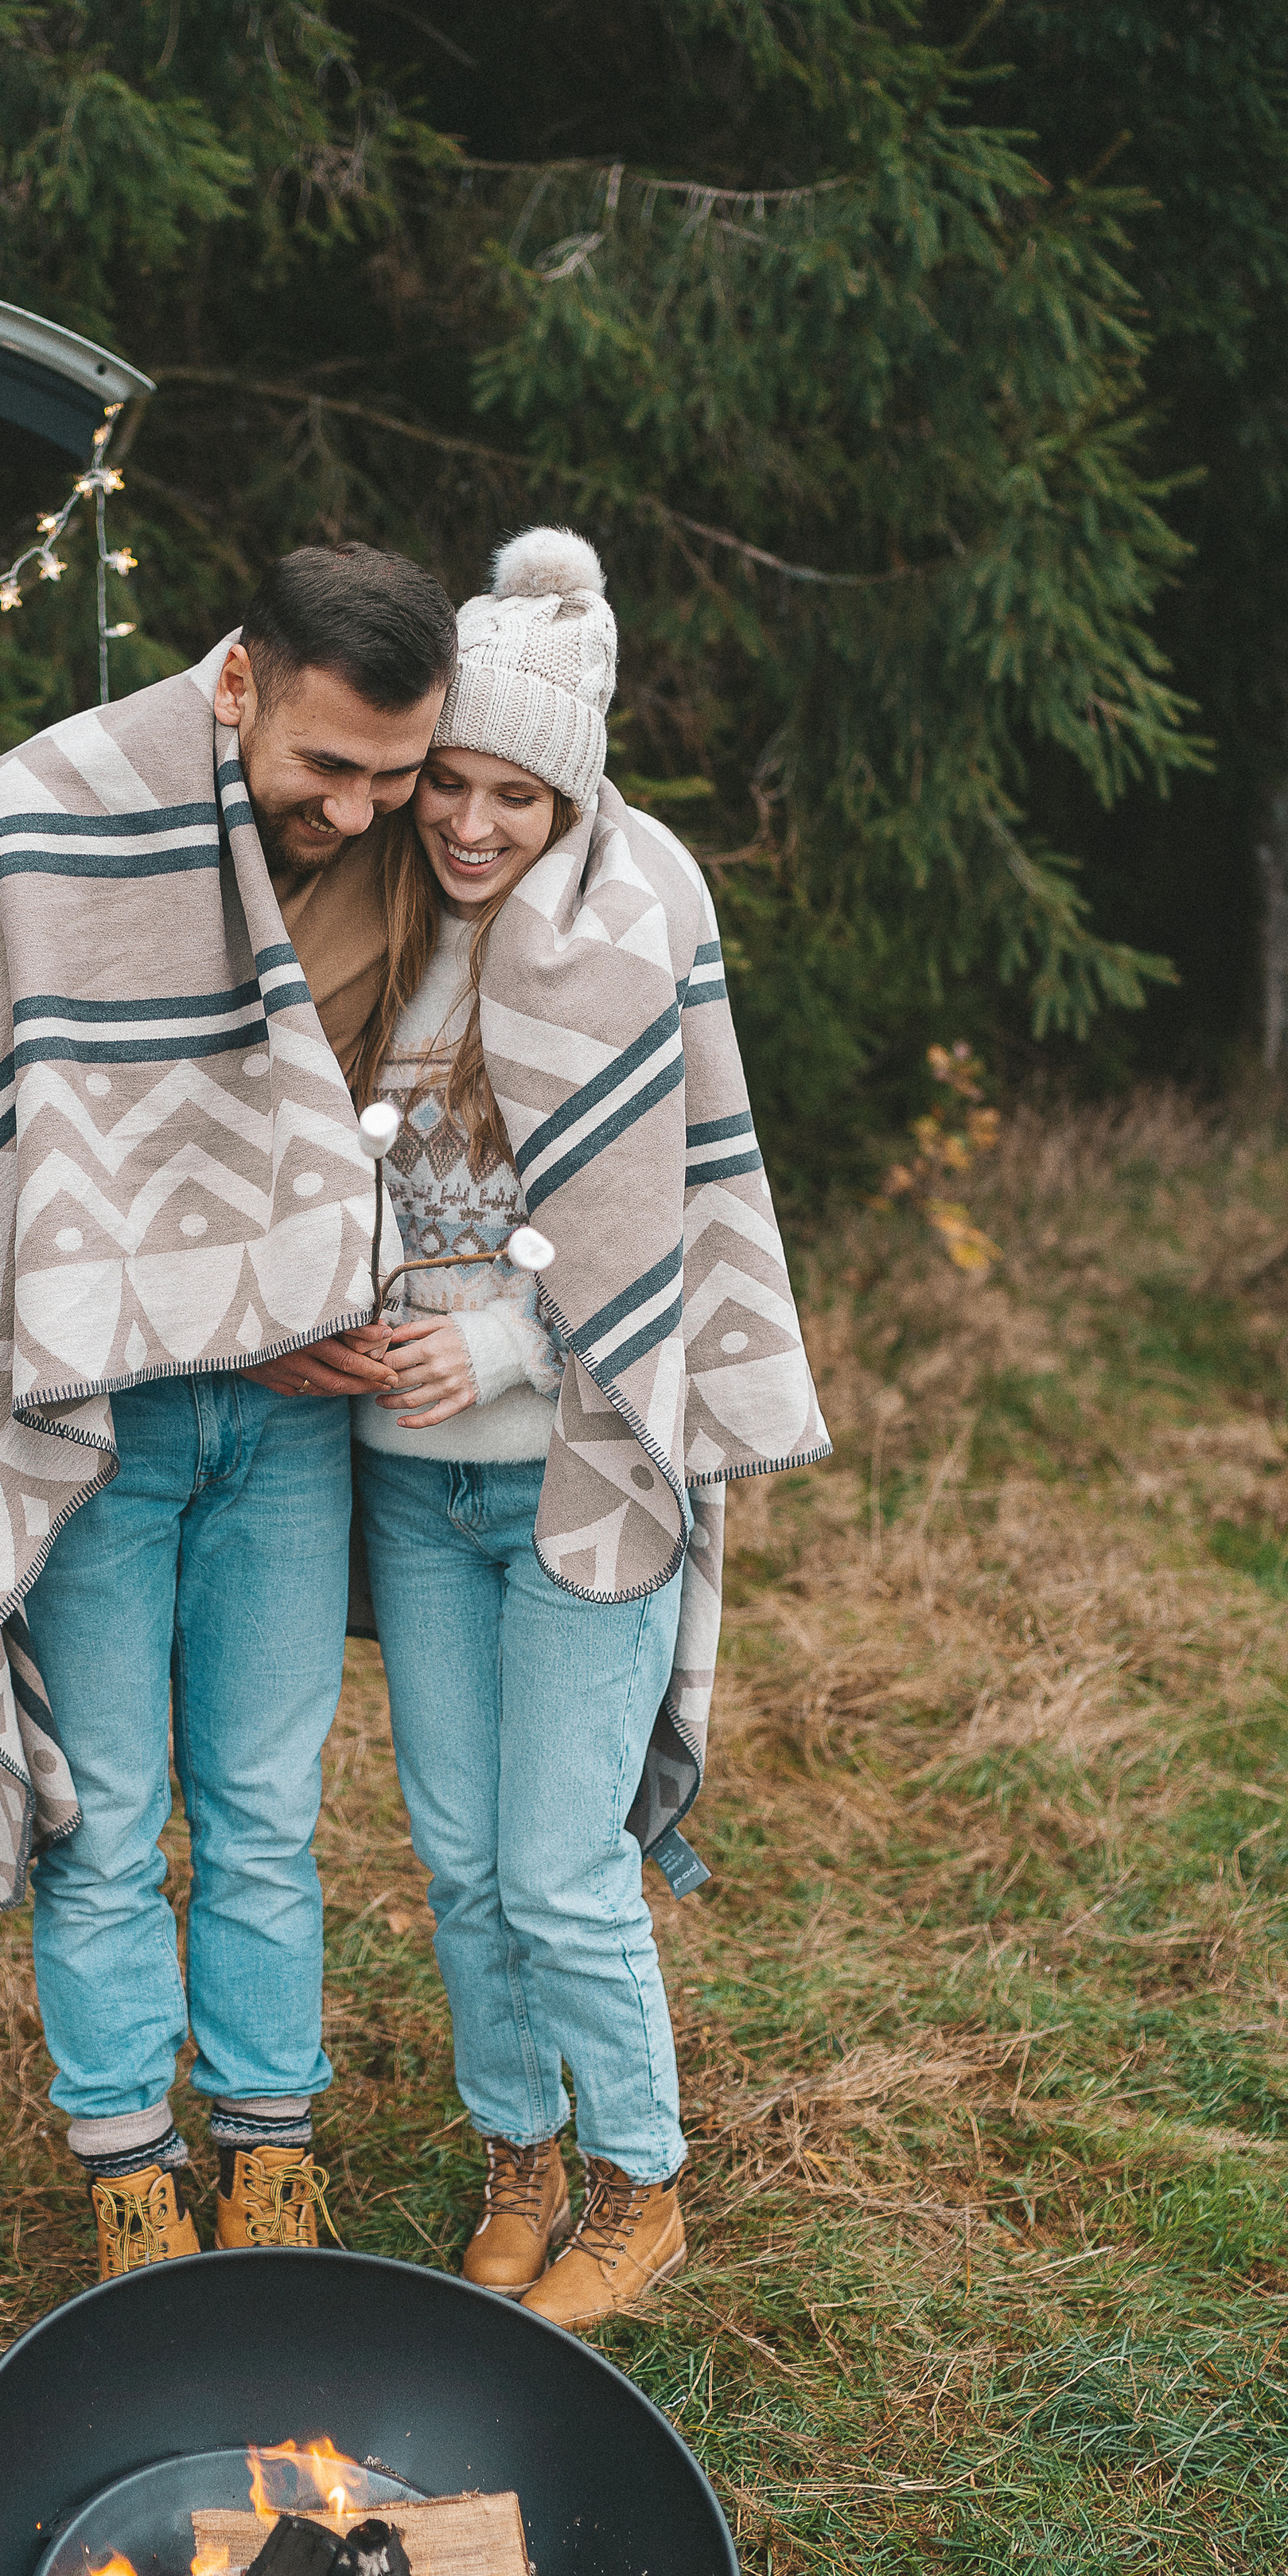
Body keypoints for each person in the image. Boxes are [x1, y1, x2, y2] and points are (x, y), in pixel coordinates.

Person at [0, 547, 456, 2284]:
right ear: (236, 682)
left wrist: (330, 1307)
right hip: (100, 1429)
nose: (360, 810)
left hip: (284, 1435)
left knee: (269, 1808)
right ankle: (130, 2165)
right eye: (328, 767)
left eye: (395, 774)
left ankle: (269, 2152)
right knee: (109, 1815)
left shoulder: (384, 871)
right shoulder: (41, 823)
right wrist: (230, 1317)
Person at [340, 528, 827, 2329]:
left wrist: (508, 1352)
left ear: (571, 788)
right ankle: (514, 2150)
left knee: (559, 1865)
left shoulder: (633, 925)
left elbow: (664, 1231)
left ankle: (640, 2183)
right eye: (447, 786)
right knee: (461, 1864)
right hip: (409, 1495)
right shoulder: (372, 935)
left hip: (577, 1474)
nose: (471, 825)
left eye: (512, 794)